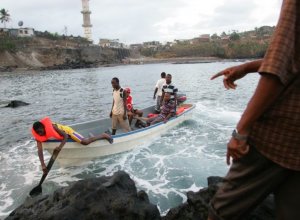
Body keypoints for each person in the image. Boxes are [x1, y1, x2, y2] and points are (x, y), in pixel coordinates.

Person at [208, 1, 300, 220]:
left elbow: (279, 67)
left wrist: (241, 132)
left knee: (220, 214)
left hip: (276, 137)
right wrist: (247, 67)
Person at [32, 117, 113, 175]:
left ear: (43, 127)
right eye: (38, 133)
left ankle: (104, 135)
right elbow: (39, 150)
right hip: (61, 137)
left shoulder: (53, 127)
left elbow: (65, 136)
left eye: (40, 131)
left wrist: (60, 147)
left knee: (85, 142)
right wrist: (43, 165)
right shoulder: (38, 136)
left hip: (68, 132)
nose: (40, 134)